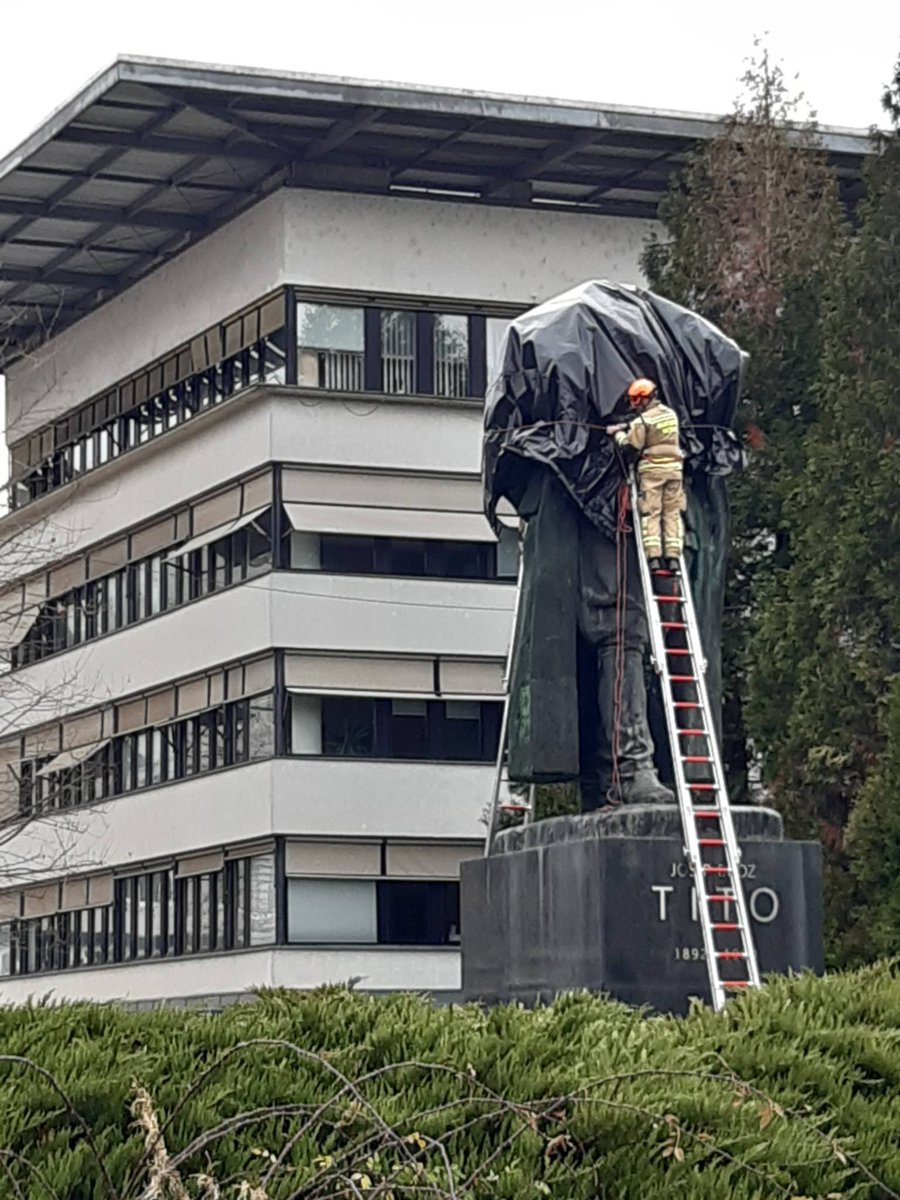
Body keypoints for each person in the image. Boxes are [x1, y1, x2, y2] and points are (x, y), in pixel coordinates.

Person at [607, 378, 685, 573]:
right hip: (675, 472)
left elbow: (630, 448)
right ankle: (674, 557)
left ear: (645, 399)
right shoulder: (670, 415)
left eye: (636, 400)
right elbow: (654, 429)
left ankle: (655, 558)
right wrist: (629, 425)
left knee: (652, 513)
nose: (634, 405)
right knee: (672, 514)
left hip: (653, 473)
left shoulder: (642, 421)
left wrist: (617, 434)